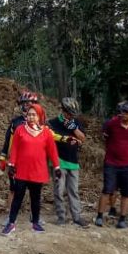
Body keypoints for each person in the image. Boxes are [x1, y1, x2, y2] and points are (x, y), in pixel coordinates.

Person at [3, 104, 60, 235]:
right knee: (18, 197)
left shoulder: (46, 132)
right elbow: (15, 149)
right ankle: (11, 223)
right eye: (29, 114)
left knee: (36, 198)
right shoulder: (20, 130)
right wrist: (11, 165)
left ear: (39, 116)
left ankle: (35, 223)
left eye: (34, 115)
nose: (31, 117)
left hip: (38, 171)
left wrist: (57, 166)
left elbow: (52, 151)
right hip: (22, 171)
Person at [96, 100, 128, 229]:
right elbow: (105, 137)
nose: (123, 114)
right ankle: (99, 216)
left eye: (126, 112)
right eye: (122, 111)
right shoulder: (112, 124)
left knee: (126, 193)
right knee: (107, 189)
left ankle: (122, 219)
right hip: (111, 163)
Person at [0, 91, 39, 222]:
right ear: (21, 105)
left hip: (33, 162)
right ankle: (10, 217)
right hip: (17, 161)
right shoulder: (15, 122)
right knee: (14, 189)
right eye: (25, 103)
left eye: (31, 103)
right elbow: (7, 141)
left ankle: (35, 217)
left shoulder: (40, 123)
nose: (27, 106)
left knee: (35, 190)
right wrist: (3, 157)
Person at [49, 97, 88, 227]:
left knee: (73, 191)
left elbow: (83, 138)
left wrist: (74, 128)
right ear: (64, 111)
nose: (71, 116)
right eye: (69, 114)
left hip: (73, 161)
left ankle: (76, 216)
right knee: (59, 190)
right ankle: (61, 216)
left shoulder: (75, 122)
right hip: (58, 161)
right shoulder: (53, 123)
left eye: (73, 115)